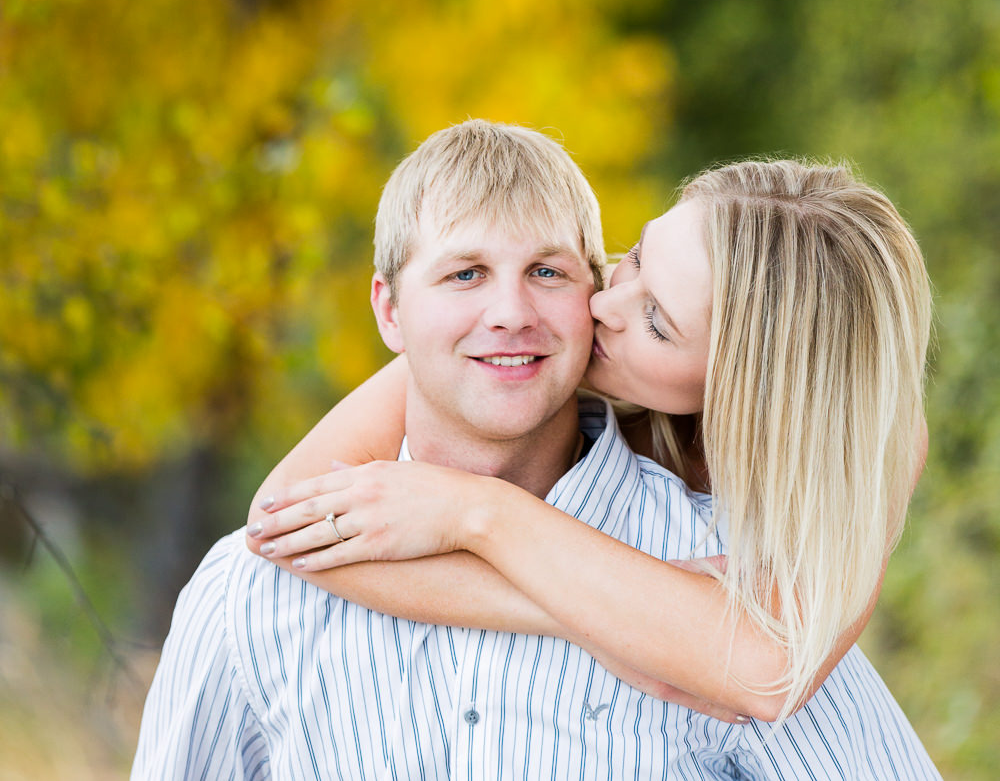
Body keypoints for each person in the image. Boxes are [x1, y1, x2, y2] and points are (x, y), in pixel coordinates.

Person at [131, 121, 938, 779]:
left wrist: (478, 514)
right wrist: (600, 617)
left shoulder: (776, 540)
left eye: (657, 320)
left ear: (737, 385)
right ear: (389, 311)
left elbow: (763, 668)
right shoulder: (250, 596)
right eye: (624, 263)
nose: (604, 306)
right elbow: (282, 522)